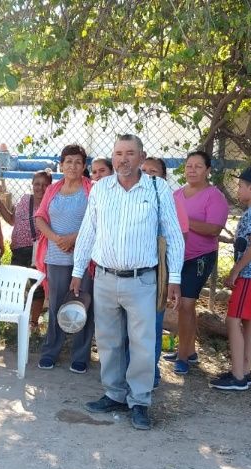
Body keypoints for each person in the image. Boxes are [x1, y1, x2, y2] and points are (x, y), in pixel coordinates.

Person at [72, 134, 185, 430]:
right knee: (108, 341)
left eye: (130, 153)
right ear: (112, 156)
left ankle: (140, 401)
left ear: (141, 156)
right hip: (105, 278)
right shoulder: (100, 189)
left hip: (142, 280)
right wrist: (77, 270)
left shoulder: (158, 189)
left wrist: (174, 277)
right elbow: (88, 231)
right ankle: (115, 393)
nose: (123, 159)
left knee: (143, 344)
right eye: (118, 153)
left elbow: (173, 235)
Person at [164, 151, 229, 375]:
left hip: (199, 257)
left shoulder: (214, 196)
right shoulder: (176, 194)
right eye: (189, 166)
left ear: (208, 171)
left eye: (198, 166)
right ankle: (188, 350)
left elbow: (213, 229)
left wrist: (183, 220)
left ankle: (183, 357)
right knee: (181, 305)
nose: (192, 170)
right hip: (176, 257)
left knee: (187, 304)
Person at [35, 145, 96, 373]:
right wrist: (57, 238)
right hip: (56, 257)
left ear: (84, 166)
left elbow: (97, 222)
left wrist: (73, 239)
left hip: (84, 259)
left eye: (78, 162)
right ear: (62, 164)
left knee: (83, 305)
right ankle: (51, 351)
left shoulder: (92, 189)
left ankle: (80, 356)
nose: (73, 166)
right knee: (56, 306)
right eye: (68, 161)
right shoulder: (52, 189)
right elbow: (40, 217)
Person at [209, 167, 251, 391]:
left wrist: (236, 270)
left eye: (241, 186)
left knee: (233, 319)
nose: (238, 189)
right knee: (247, 320)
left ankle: (237, 376)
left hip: (249, 274)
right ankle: (244, 369)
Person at [137, 156, 189, 387]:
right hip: (134, 272)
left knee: (153, 323)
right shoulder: (132, 196)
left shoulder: (168, 198)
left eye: (154, 172)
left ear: (164, 177)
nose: (148, 175)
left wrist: (170, 275)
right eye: (144, 170)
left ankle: (152, 372)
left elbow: (179, 237)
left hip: (159, 272)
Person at [0, 169, 52, 331]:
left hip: (39, 252)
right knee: (17, 285)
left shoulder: (52, 203)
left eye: (44, 185)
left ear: (50, 186)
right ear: (32, 184)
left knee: (37, 288)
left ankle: (33, 322)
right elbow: (11, 220)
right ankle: (17, 320)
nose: (40, 188)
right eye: (37, 184)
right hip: (19, 249)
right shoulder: (24, 200)